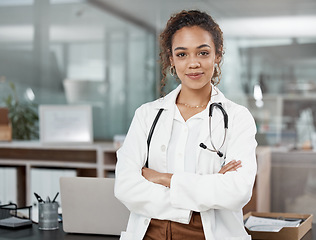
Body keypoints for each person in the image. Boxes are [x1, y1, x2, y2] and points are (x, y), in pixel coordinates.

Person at [114, 10, 257, 240]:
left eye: (203, 52)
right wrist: (205, 191)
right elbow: (125, 187)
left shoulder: (238, 118)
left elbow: (237, 192)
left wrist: (164, 178)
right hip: (149, 233)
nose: (193, 63)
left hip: (207, 234)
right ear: (171, 59)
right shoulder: (147, 115)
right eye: (182, 54)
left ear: (217, 55)